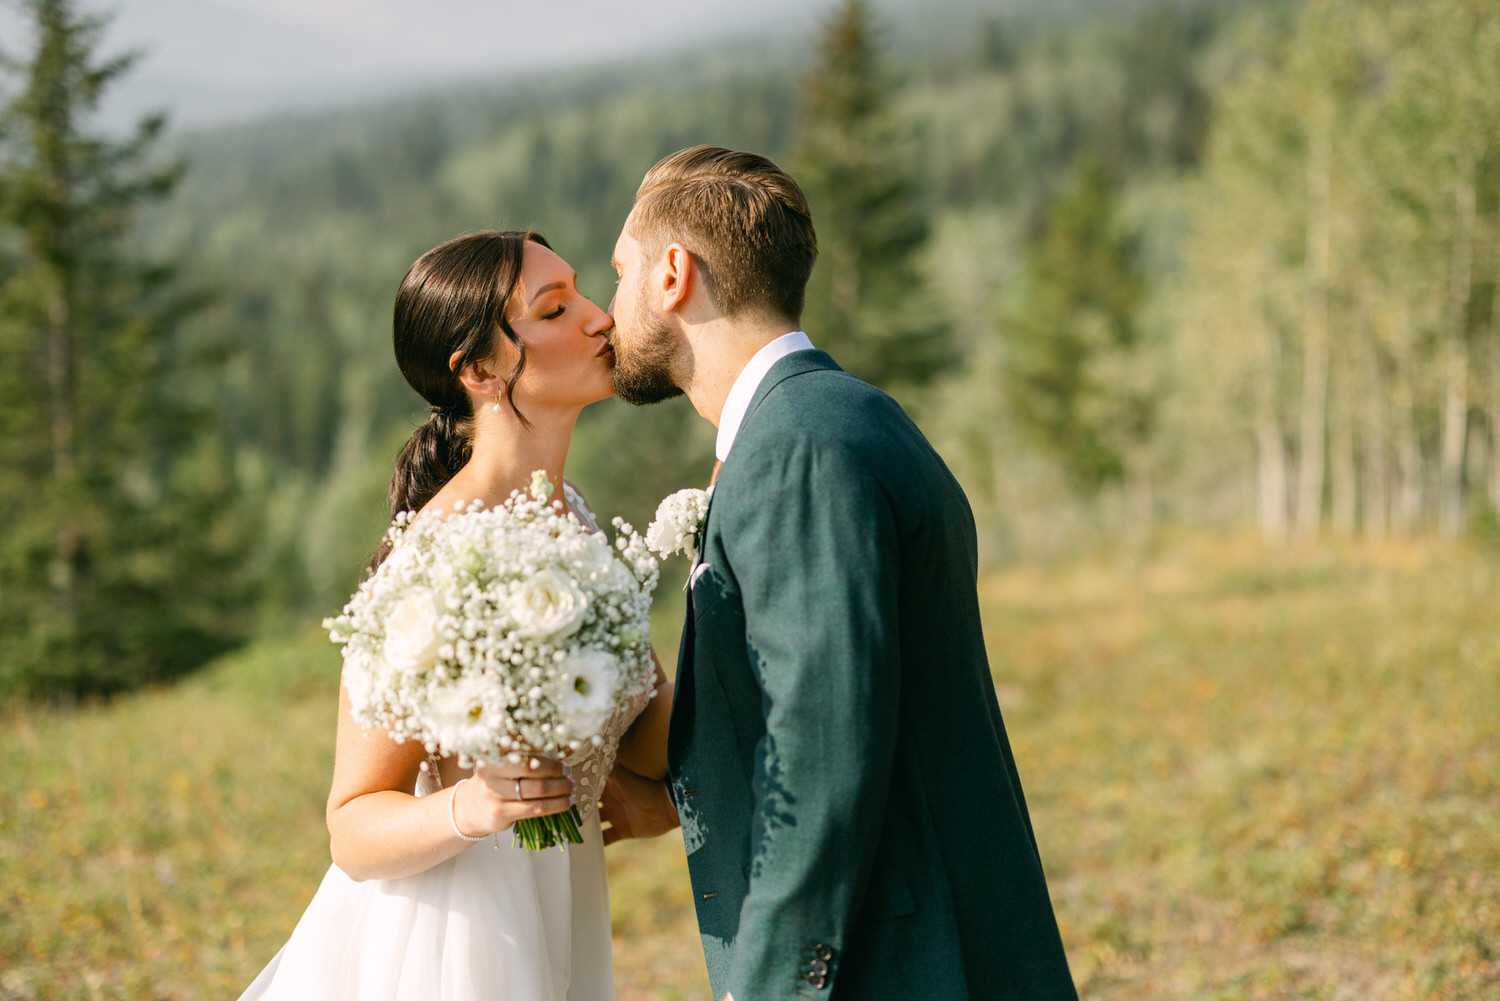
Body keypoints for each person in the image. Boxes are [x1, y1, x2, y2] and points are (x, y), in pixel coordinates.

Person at [599, 146, 1079, 1000]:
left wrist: (776, 984)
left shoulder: (798, 452)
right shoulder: (837, 416)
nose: (607, 313)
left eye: (619, 274)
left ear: (673, 274)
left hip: (900, 960)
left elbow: (821, 740)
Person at [238, 230, 673, 1001]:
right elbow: (353, 826)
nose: (600, 318)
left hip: (559, 895)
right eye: (556, 308)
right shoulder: (432, 559)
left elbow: (639, 727)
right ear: (479, 371)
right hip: (458, 932)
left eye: (581, 293)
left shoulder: (572, 519)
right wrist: (473, 804)